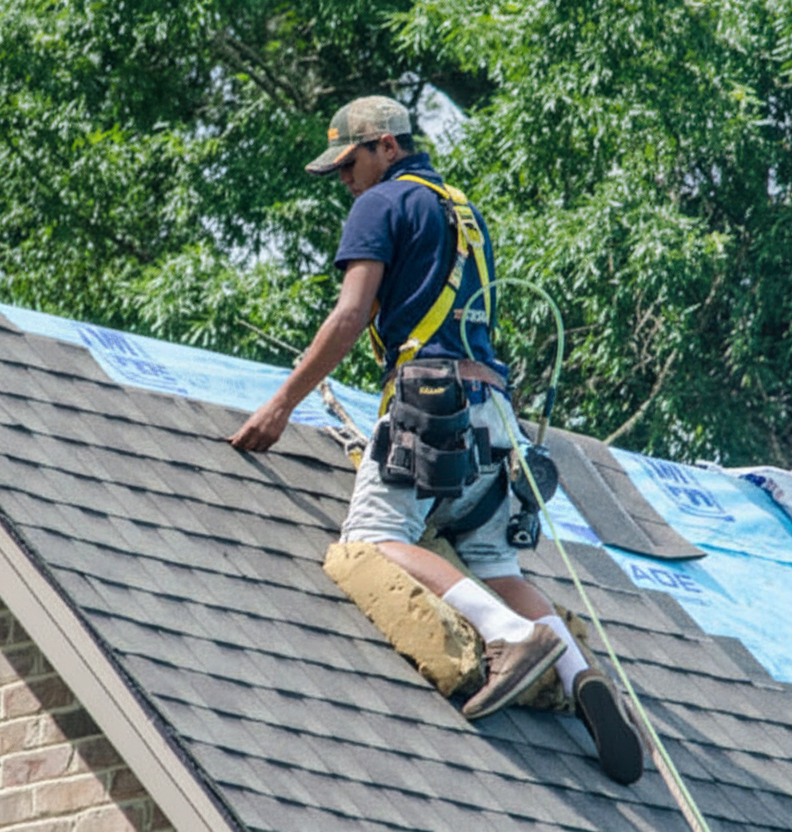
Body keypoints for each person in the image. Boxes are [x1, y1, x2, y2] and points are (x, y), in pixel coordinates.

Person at [229, 96, 643, 785]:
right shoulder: (463, 212)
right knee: (497, 566)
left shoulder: (383, 204)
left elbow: (352, 313)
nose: (345, 180)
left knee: (374, 536)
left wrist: (280, 407)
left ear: (387, 147)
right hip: (493, 417)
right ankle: (578, 672)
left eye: (350, 163)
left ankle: (511, 639)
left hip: (428, 406)